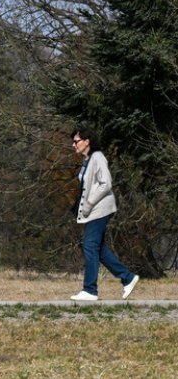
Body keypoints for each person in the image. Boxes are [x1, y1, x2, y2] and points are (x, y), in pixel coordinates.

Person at [69, 126, 139, 301]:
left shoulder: (98, 158)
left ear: (87, 141)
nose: (73, 144)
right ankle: (128, 278)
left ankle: (90, 290)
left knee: (89, 246)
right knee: (98, 248)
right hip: (93, 210)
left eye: (76, 141)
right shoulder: (88, 160)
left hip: (99, 209)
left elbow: (105, 183)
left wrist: (90, 202)